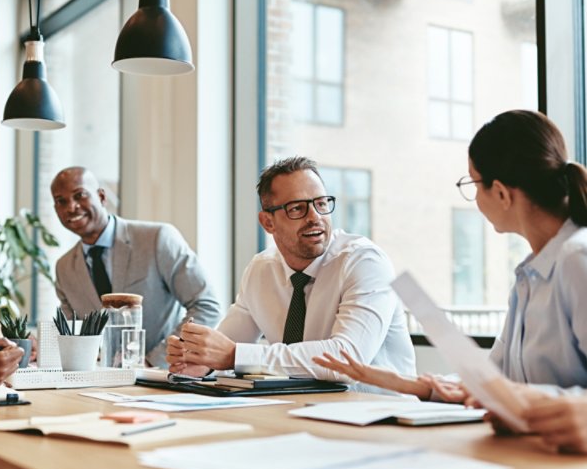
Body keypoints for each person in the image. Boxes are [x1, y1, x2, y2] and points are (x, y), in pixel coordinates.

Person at [315, 110, 587, 404]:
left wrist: (516, 398)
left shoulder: (576, 259)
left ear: (500, 193)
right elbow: (495, 381)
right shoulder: (529, 276)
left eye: (472, 183)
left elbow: (516, 394)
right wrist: (412, 384)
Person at [166, 156, 416, 391]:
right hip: (301, 411)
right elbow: (225, 344)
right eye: (297, 208)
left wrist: (234, 356)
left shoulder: (364, 261)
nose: (315, 217)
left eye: (321, 203)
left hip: (379, 418)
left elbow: (347, 359)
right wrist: (199, 359)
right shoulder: (261, 269)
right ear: (268, 222)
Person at [51, 167, 222, 368]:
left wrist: (155, 360)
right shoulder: (64, 268)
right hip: (100, 382)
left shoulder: (157, 238)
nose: (71, 207)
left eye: (79, 195)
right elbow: (73, 334)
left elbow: (207, 306)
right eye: (61, 201)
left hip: (162, 375)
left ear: (102, 196)